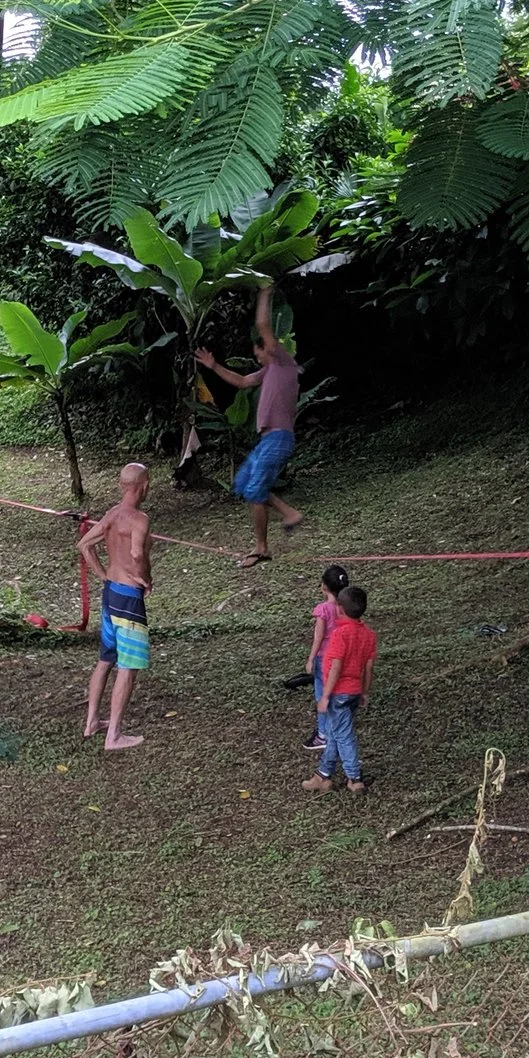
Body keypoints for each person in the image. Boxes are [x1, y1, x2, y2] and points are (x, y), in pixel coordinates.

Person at [195, 285, 303, 567]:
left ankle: (261, 548)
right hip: (267, 440)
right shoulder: (268, 371)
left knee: (255, 490)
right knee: (243, 485)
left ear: (268, 348)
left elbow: (263, 324)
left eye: (258, 352)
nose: (257, 357)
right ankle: (288, 512)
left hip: (279, 437)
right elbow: (242, 382)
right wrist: (213, 365)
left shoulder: (282, 361)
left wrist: (265, 292)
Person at [81, 462, 155, 752]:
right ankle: (114, 735)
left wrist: (103, 575)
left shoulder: (112, 514)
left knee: (106, 659)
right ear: (143, 486)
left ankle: (91, 722)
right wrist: (145, 578)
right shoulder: (140, 520)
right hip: (128, 598)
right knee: (129, 666)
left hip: (111, 593)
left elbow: (85, 545)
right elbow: (137, 553)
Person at [306, 584, 375, 792]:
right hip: (354, 691)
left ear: (340, 609)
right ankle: (322, 775)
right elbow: (368, 667)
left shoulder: (340, 635)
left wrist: (325, 695)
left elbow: (335, 666)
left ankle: (354, 777)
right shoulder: (369, 635)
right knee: (336, 732)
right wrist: (364, 691)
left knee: (344, 735)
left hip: (339, 693)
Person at [303, 564, 350, 752]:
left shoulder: (323, 610)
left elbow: (319, 637)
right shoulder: (346, 608)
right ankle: (338, 727)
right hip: (342, 657)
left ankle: (323, 735)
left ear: (324, 587)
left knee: (322, 695)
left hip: (324, 659)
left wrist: (310, 659)